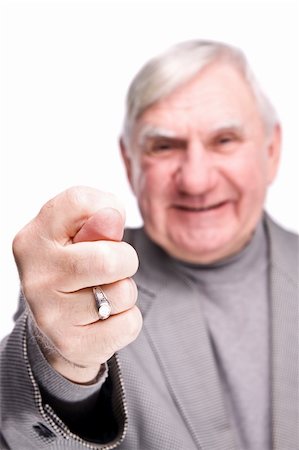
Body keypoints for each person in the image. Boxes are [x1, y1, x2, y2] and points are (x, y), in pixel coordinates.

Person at [0, 40, 298, 450]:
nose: (196, 180)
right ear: (129, 161)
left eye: (224, 140)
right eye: (164, 146)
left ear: (272, 149)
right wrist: (65, 364)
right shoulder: (81, 279)